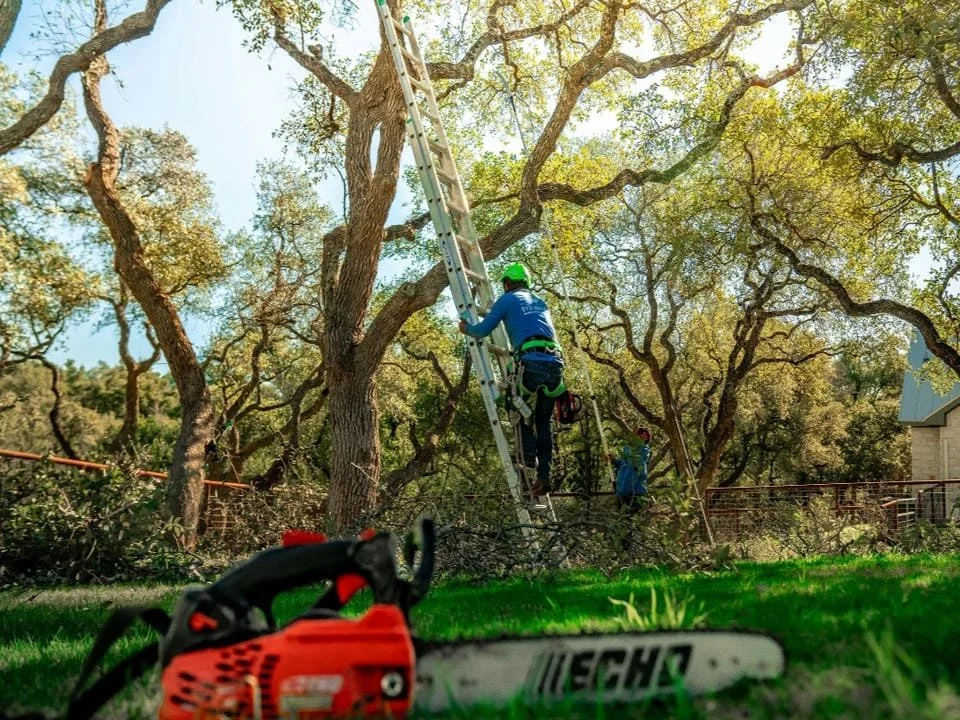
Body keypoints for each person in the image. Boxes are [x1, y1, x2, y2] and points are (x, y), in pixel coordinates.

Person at [458, 262, 565, 497]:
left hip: (531, 362)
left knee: (515, 405)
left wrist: (466, 328)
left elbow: (482, 331)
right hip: (555, 364)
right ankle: (544, 475)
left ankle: (527, 459)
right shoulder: (540, 301)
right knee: (543, 422)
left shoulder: (507, 299)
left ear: (507, 283)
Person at [612, 426, 651, 512]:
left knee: (633, 515)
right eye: (641, 434)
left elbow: (635, 465)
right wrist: (613, 460)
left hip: (635, 492)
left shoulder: (644, 450)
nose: (643, 436)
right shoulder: (628, 451)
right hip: (623, 490)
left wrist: (622, 492)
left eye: (646, 435)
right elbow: (623, 464)